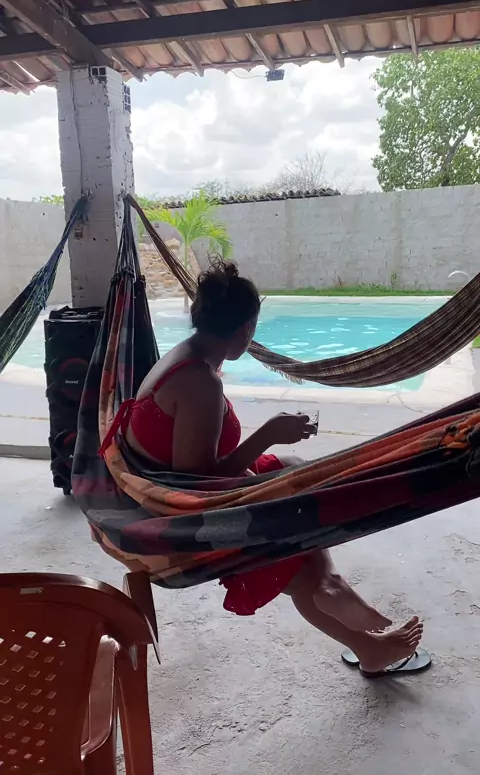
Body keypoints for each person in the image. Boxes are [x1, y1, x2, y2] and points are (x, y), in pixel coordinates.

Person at [123, 259, 424, 674]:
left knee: (295, 470)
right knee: (292, 554)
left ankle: (330, 582)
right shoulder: (199, 382)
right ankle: (358, 633)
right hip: (172, 508)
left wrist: (267, 451)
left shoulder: (187, 355)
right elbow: (196, 480)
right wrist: (267, 434)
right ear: (247, 327)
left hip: (160, 483)